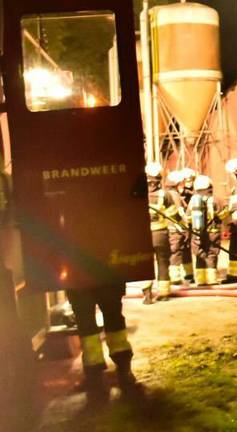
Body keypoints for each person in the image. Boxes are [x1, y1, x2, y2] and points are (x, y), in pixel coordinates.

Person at [66, 284, 139, 403]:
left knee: (86, 322)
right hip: (105, 274)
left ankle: (95, 378)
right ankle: (123, 371)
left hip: (78, 278)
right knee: (113, 316)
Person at [144, 162, 176, 300]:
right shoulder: (165, 195)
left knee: (144, 264)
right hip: (160, 234)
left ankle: (147, 295)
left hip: (142, 236)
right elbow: (174, 215)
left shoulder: (137, 194)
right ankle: (164, 294)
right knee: (163, 262)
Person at [188, 175, 219, 285]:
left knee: (199, 255)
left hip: (197, 233)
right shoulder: (214, 200)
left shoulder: (193, 201)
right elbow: (222, 215)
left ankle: (200, 281)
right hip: (213, 233)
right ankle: (212, 280)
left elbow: (187, 218)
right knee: (211, 254)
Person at [164, 169, 191, 287]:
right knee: (176, 252)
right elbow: (180, 212)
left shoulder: (167, 193)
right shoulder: (174, 195)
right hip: (176, 228)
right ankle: (175, 277)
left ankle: (189, 274)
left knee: (182, 250)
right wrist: (185, 227)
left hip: (171, 227)